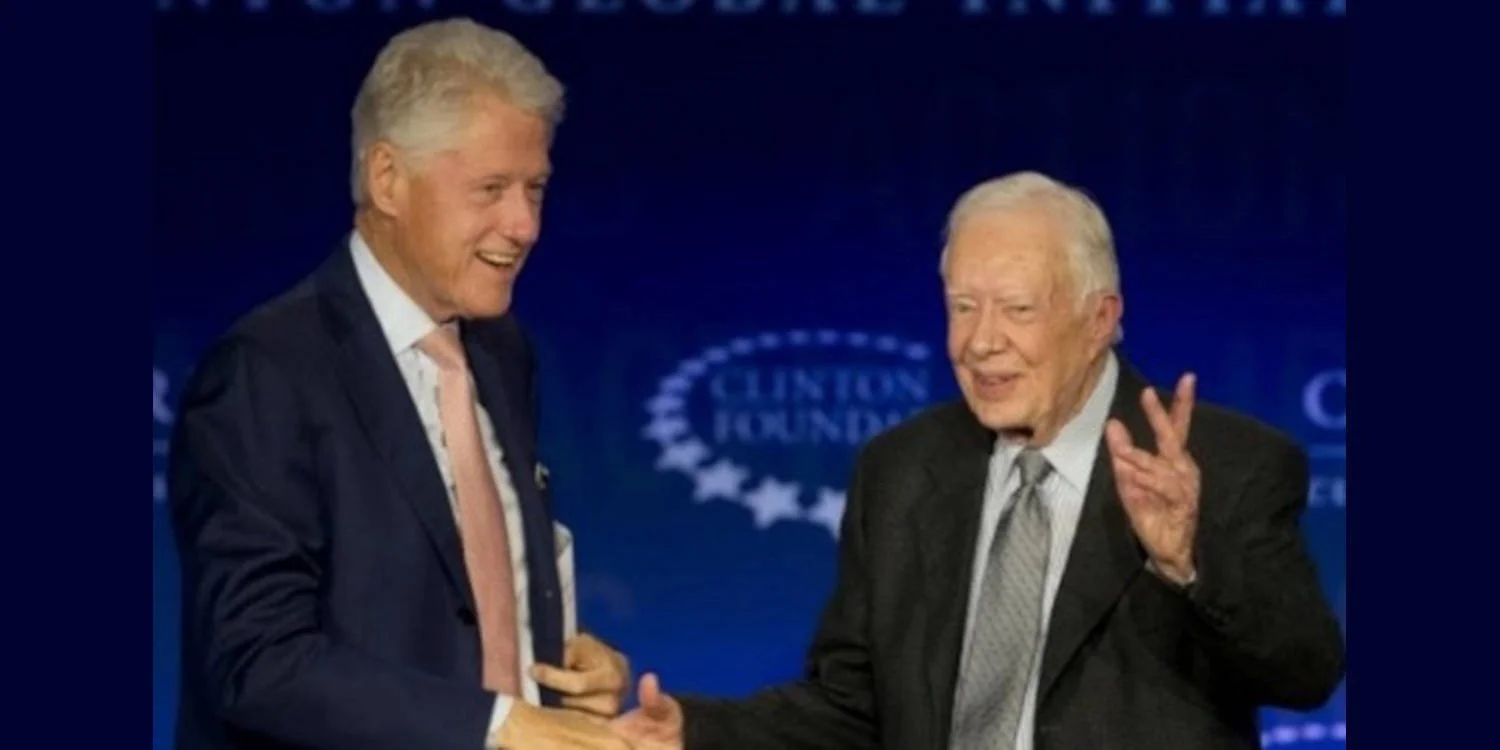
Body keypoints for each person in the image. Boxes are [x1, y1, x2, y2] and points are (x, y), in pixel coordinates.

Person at [612, 171, 1346, 750]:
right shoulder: (900, 473)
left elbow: (1305, 671)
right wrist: (696, 731)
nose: (980, 341)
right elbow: (854, 708)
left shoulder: (1222, 464)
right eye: (964, 306)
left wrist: (1190, 561)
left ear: (1100, 321)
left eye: (1017, 310)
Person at [168, 18, 634, 750]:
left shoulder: (504, 352)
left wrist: (560, 667)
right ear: (388, 179)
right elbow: (258, 660)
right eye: (491, 188)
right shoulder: (265, 374)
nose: (524, 224)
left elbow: (457, 601)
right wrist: (499, 726)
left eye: (535, 188)